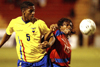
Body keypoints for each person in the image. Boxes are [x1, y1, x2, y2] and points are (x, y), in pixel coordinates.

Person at [0, 1, 56, 67]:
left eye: (34, 11)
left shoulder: (39, 23)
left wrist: (49, 44)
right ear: (24, 11)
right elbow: (7, 34)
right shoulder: (14, 23)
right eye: (30, 11)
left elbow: (52, 37)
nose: (33, 13)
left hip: (42, 60)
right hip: (25, 62)